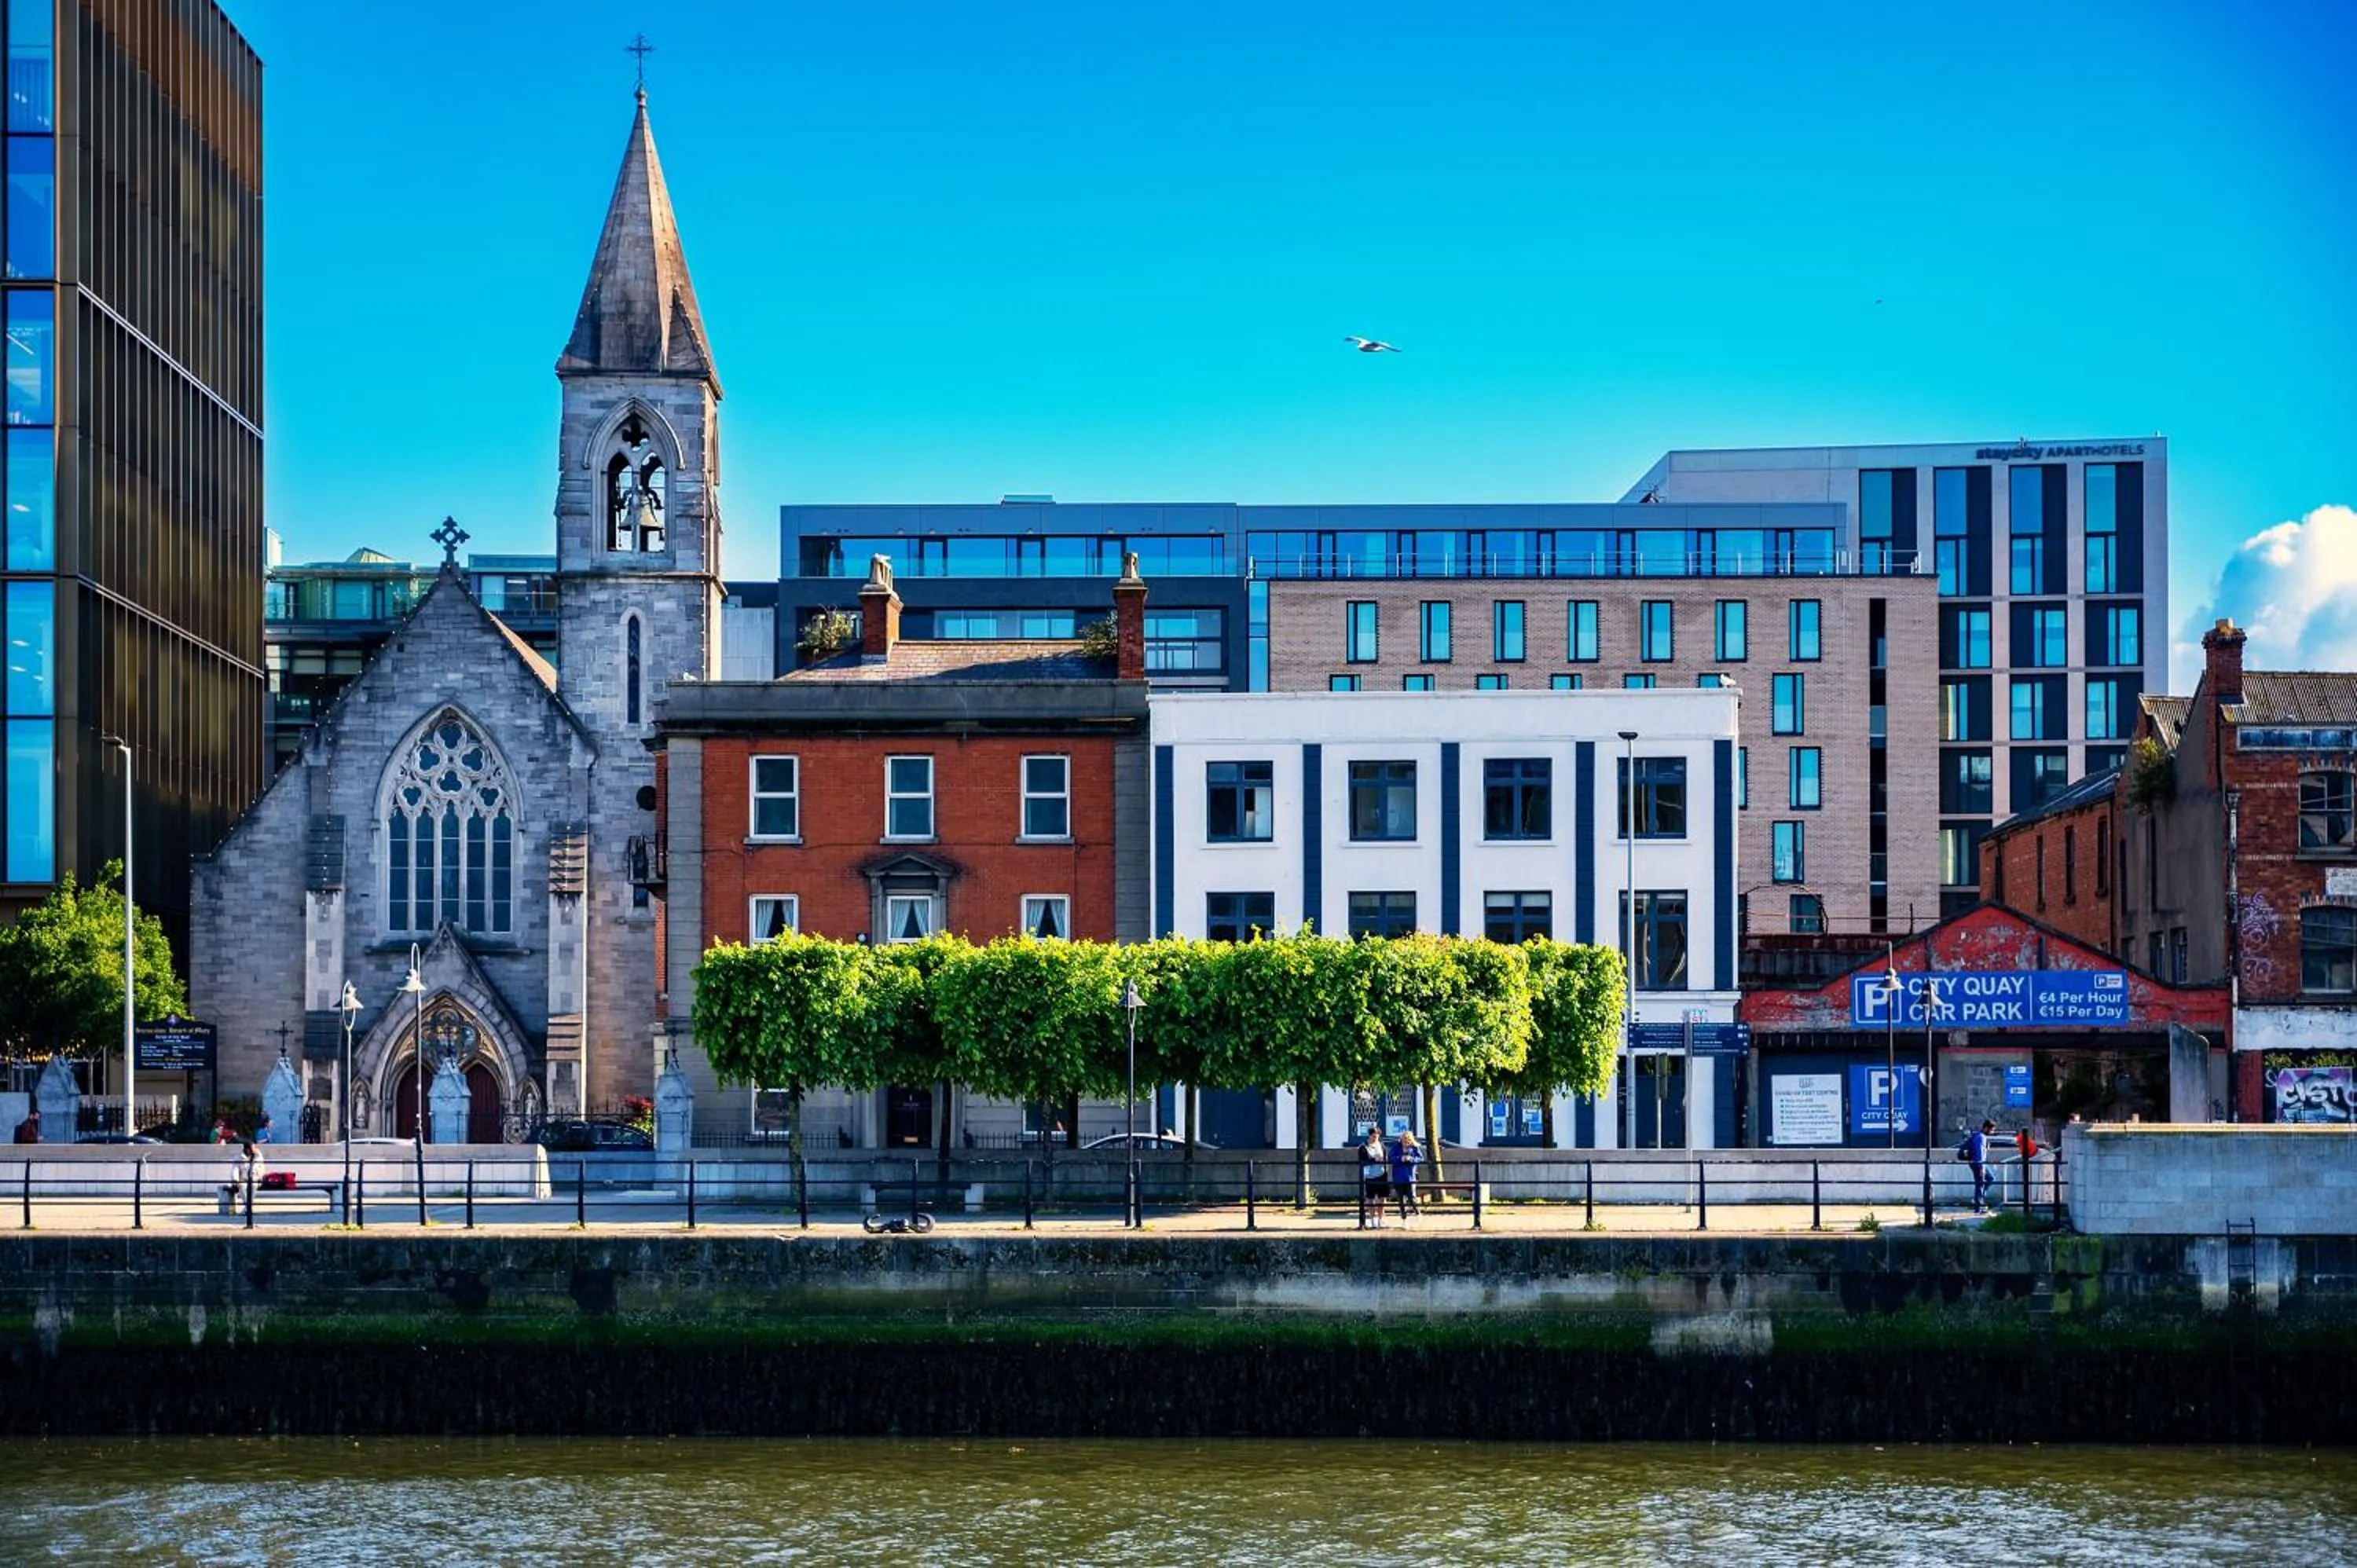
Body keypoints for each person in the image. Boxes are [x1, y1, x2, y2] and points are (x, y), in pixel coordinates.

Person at [1358, 1126, 1390, 1228]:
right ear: (1369, 1135)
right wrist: (1374, 1160)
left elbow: (1386, 1157)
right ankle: (1373, 1219)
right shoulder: (1363, 1147)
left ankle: (1381, 1219)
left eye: (1377, 1136)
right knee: (1370, 1198)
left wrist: (1384, 1162)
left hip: (1382, 1174)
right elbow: (1362, 1161)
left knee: (1382, 1198)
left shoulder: (1381, 1145)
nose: (1375, 1138)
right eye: (1373, 1136)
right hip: (1370, 1176)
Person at [1390, 1129, 1424, 1222]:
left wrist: (1411, 1159)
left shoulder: (1414, 1148)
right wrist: (1400, 1159)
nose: (1406, 1141)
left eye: (1408, 1139)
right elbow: (1391, 1158)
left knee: (1412, 1197)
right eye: (1404, 1139)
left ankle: (1418, 1213)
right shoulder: (1396, 1147)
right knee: (1400, 1199)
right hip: (1398, 1177)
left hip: (1410, 1176)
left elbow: (1420, 1158)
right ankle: (1404, 1218)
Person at [1967, 1119, 1995, 1214]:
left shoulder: (1978, 1136)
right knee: (1980, 1184)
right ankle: (1978, 1207)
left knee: (1988, 1180)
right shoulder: (1981, 1137)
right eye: (1991, 1130)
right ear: (1986, 1128)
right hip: (1978, 1163)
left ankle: (1979, 1201)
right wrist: (1982, 1167)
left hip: (1976, 1162)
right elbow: (1980, 1153)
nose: (1992, 1132)